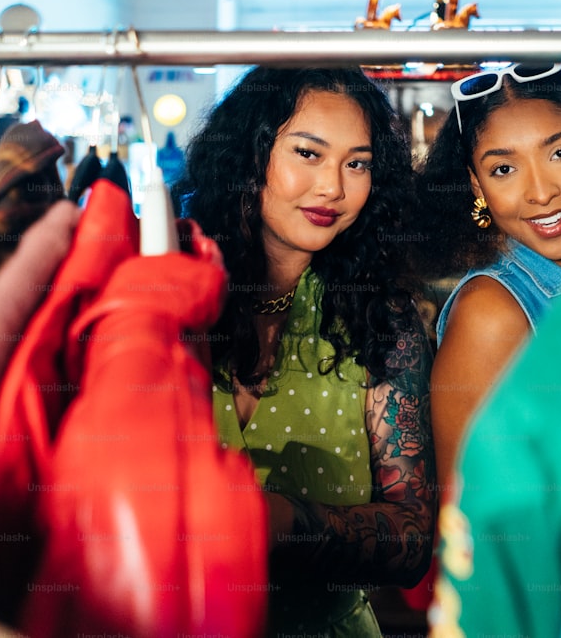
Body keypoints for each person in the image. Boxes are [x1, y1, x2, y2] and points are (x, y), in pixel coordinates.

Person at [173, 66, 436, 636]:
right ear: (251, 152)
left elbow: (413, 538)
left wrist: (282, 521)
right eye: (309, 154)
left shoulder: (380, 321)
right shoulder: (165, 296)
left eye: (357, 163)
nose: (334, 188)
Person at [416, 63, 561, 488]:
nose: (541, 192)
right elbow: (468, 529)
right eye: (504, 169)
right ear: (476, 186)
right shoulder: (489, 316)